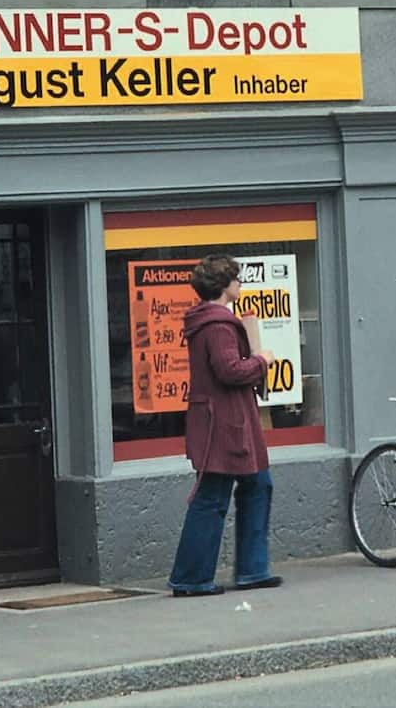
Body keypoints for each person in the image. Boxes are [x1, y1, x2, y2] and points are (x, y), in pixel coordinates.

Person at [168, 254, 282, 597]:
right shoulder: (217, 324)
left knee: (258, 485)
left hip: (229, 419)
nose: (240, 283)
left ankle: (252, 570)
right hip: (225, 421)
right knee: (212, 496)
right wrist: (262, 361)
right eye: (236, 278)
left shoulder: (212, 320)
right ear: (224, 285)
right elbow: (229, 370)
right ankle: (191, 578)